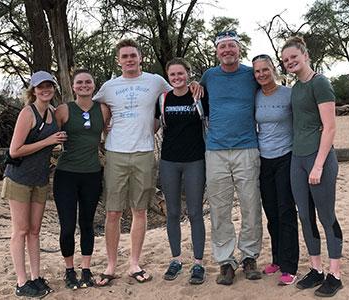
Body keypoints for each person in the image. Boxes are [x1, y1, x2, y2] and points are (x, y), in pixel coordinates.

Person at [93, 38, 172, 285]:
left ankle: (134, 264)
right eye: (124, 56)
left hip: (145, 152)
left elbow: (176, 95)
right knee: (114, 211)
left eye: (132, 55)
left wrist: (155, 125)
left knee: (139, 210)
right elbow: (94, 111)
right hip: (116, 153)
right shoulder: (109, 87)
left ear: (140, 57)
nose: (129, 60)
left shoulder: (156, 82)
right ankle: (111, 265)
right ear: (118, 60)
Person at [281, 36, 343, 297]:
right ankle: (316, 269)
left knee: (326, 217)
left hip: (320, 160)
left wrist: (318, 166)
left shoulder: (321, 82)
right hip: (298, 159)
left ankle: (335, 274)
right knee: (305, 217)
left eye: (293, 57)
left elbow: (329, 127)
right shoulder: (295, 88)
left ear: (305, 55)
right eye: (285, 60)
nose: (290, 62)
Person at [200, 31, 262, 285]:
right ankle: (226, 261)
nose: (227, 50)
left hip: (247, 148)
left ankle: (249, 257)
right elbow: (197, 100)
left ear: (239, 49)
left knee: (250, 205)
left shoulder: (251, 75)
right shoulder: (209, 77)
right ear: (217, 52)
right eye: (222, 46)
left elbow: (270, 90)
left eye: (232, 46)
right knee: (219, 208)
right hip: (215, 151)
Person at [1, 71, 67, 298]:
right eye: (41, 87)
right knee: (20, 230)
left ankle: (36, 277)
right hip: (19, 179)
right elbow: (14, 150)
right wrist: (48, 141)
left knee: (35, 231)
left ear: (54, 88)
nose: (45, 90)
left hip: (40, 179)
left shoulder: (52, 113)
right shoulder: (27, 114)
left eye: (49, 86)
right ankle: (21, 282)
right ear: (33, 90)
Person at [53, 69, 110, 290]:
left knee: (87, 224)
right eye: (79, 82)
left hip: (92, 174)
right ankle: (70, 270)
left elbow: (107, 134)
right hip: (66, 174)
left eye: (88, 82)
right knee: (67, 226)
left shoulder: (103, 109)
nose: (84, 85)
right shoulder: (63, 110)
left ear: (94, 86)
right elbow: (49, 135)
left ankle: (86, 269)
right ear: (73, 86)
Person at [155, 58, 208, 284]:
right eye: (172, 75)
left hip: (195, 161)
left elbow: (210, 120)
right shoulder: (162, 99)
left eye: (181, 74)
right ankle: (176, 259)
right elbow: (154, 126)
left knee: (195, 212)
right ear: (168, 77)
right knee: (173, 213)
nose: (177, 78)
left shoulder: (199, 95)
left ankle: (198, 263)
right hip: (169, 162)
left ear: (188, 74)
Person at [252, 54, 299, 285]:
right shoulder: (255, 95)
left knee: (286, 211)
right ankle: (278, 259)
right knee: (271, 212)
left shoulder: (289, 94)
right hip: (264, 159)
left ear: (274, 69)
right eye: (257, 71)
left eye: (265, 69)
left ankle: (290, 266)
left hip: (286, 157)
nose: (261, 74)